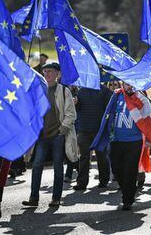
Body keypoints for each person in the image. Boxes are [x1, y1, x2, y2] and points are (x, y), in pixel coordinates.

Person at [22, 62, 77, 207]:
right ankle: (34, 198)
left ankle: (56, 198)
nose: (47, 74)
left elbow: (71, 114)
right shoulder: (38, 90)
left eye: (50, 71)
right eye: (45, 71)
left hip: (58, 136)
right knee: (37, 165)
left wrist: (62, 131)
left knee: (58, 167)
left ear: (58, 74)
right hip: (41, 136)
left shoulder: (64, 92)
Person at [93, 82, 151, 210]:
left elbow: (149, 118)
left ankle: (128, 199)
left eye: (132, 84)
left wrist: (149, 138)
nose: (130, 86)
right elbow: (108, 114)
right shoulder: (116, 96)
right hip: (117, 140)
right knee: (116, 169)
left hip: (134, 141)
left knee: (130, 171)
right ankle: (127, 189)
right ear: (123, 84)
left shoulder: (142, 98)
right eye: (127, 84)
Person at [73, 85, 113, 190]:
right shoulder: (81, 91)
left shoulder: (105, 91)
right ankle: (82, 183)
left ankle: (104, 180)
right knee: (84, 157)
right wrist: (76, 104)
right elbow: (77, 109)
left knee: (102, 156)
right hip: (84, 129)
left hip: (100, 130)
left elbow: (110, 108)